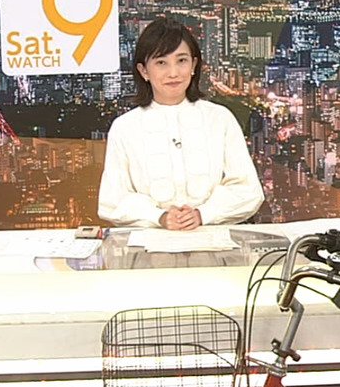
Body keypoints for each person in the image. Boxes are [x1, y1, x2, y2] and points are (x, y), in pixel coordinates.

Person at [98, 17, 263, 229]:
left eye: (181, 61)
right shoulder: (125, 128)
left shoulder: (220, 119)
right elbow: (113, 200)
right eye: (161, 63)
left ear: (193, 65)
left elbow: (248, 190)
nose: (173, 73)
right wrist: (159, 217)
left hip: (213, 237)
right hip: (150, 241)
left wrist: (203, 214)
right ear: (144, 71)